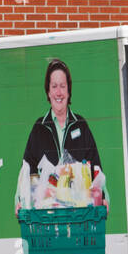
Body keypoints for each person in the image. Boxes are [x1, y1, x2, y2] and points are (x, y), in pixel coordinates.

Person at [17, 59, 106, 213]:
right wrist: (21, 201)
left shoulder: (80, 125)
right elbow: (27, 170)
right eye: (54, 86)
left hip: (79, 217)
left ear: (69, 91)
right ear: (48, 92)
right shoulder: (39, 128)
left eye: (63, 86)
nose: (59, 92)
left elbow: (95, 168)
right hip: (47, 218)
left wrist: (103, 198)